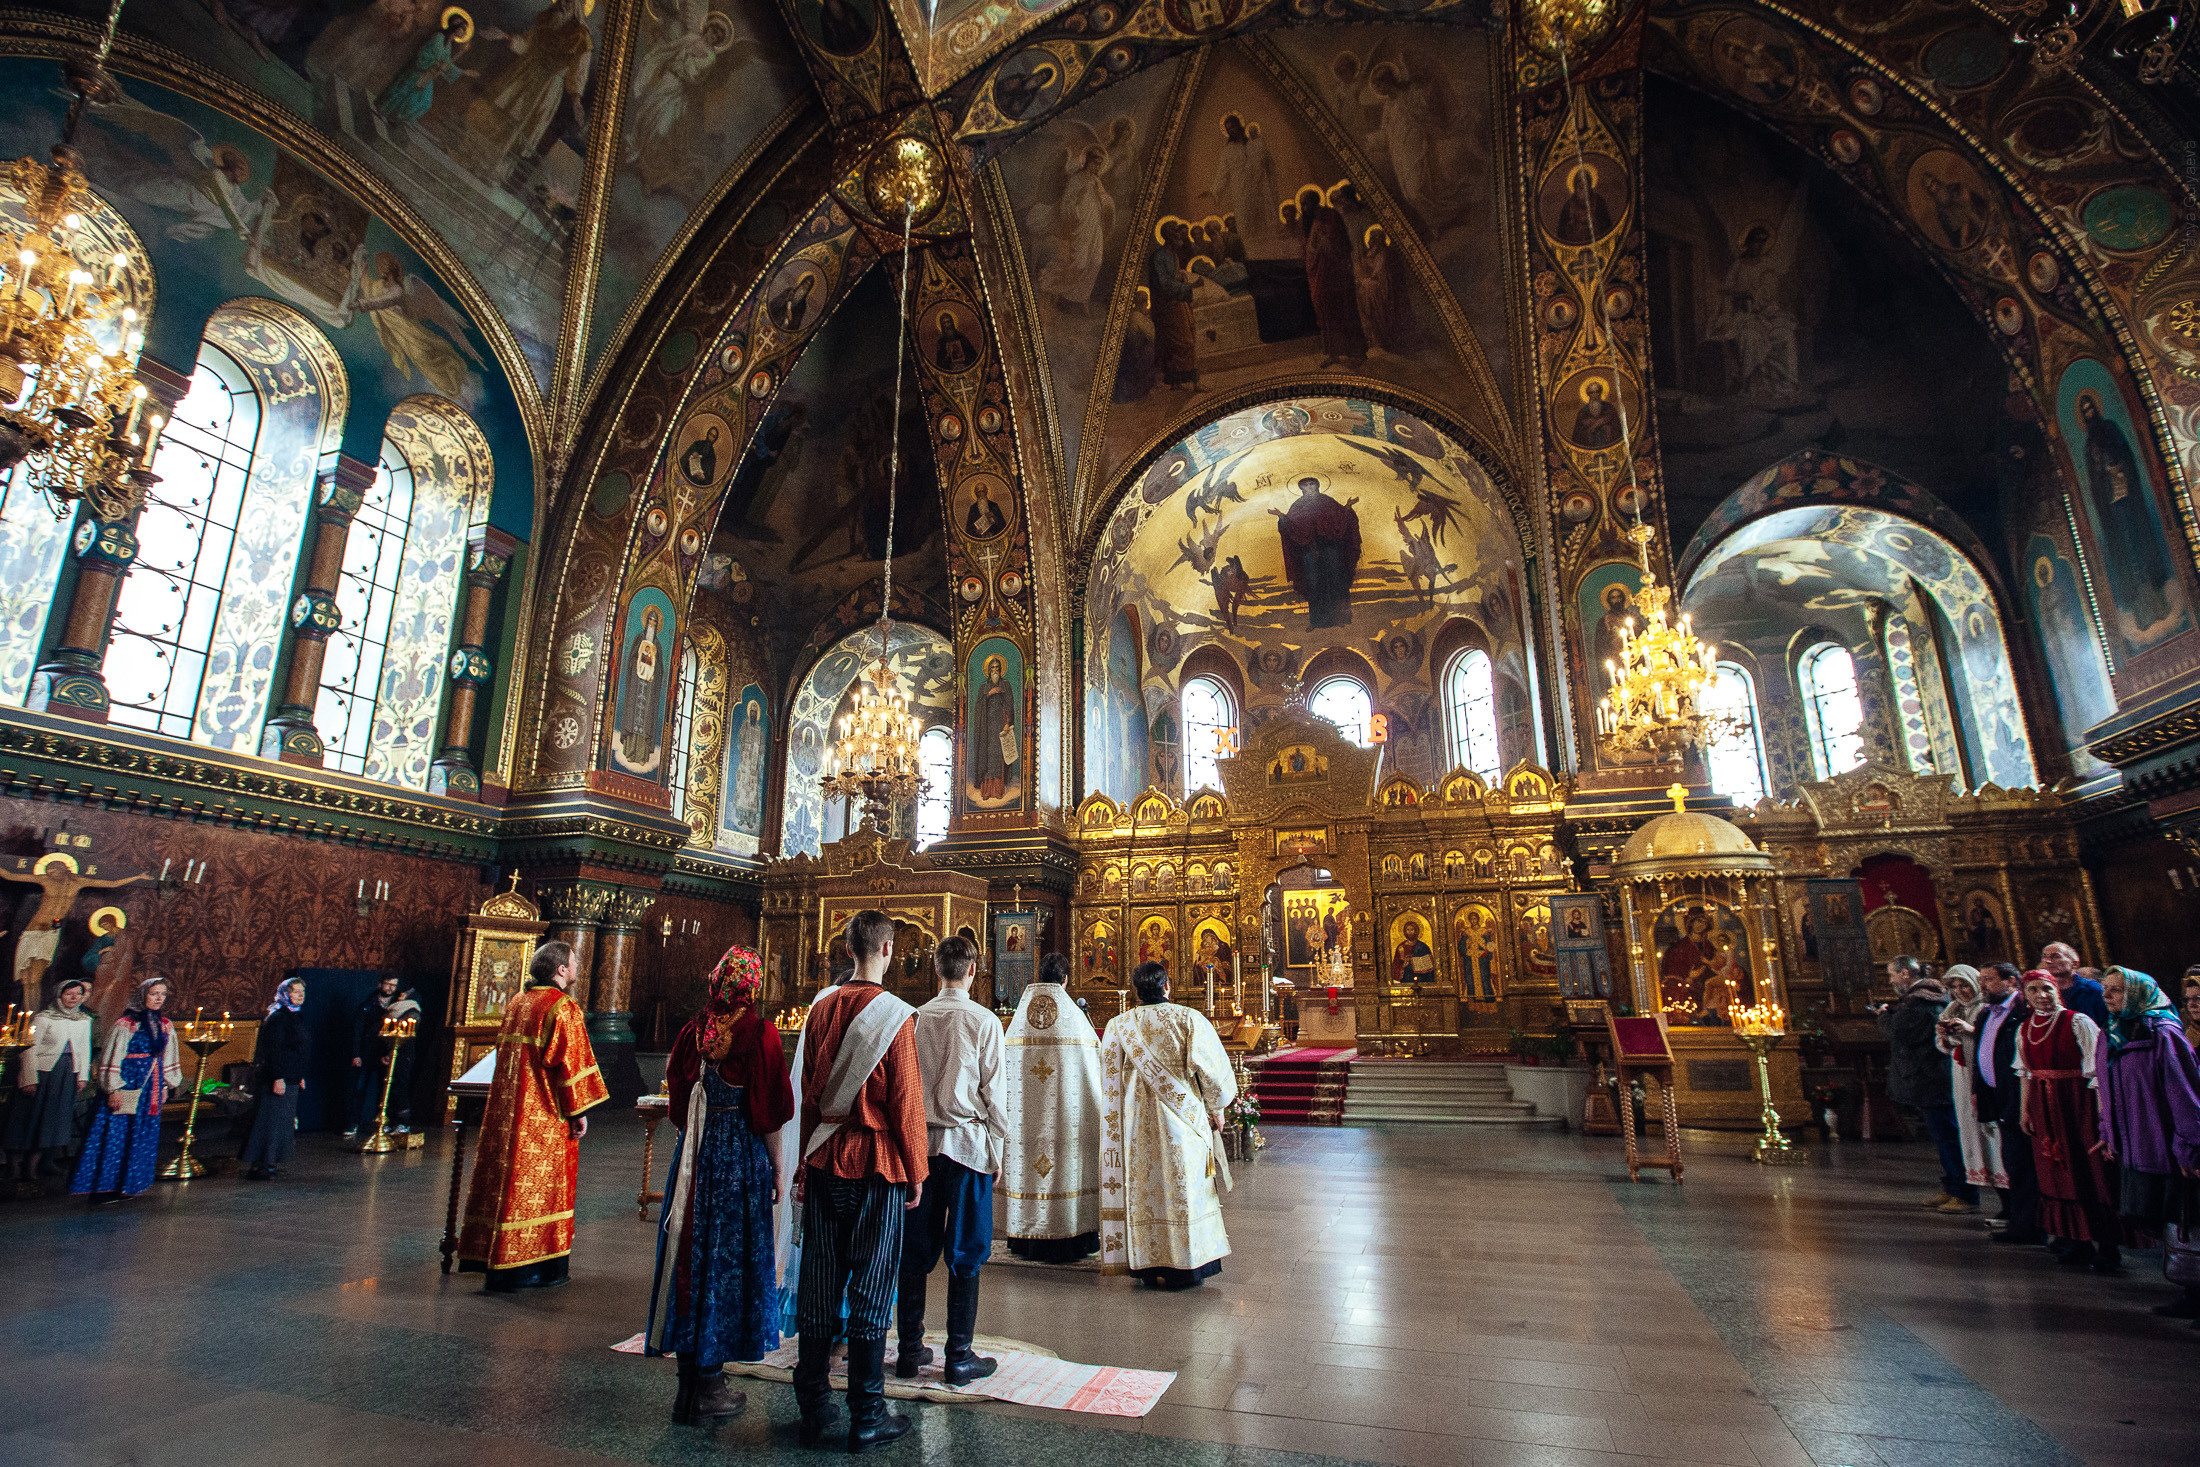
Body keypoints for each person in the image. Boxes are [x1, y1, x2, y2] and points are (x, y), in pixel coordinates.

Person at [792, 911, 926, 1453]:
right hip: (877, 1164)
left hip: (824, 1157)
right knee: (872, 1281)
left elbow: (808, 1092)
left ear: (848, 949)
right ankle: (867, 1415)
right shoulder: (896, 1017)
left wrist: (803, 1159)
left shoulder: (820, 1009)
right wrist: (916, 1170)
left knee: (820, 1278)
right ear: (888, 949)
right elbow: (906, 1101)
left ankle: (812, 1405)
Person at [647, 943, 794, 1426]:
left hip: (693, 1158)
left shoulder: (691, 1031)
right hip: (738, 1161)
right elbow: (771, 1113)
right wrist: (777, 1168)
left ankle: (688, 1385)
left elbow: (677, 1106)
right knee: (726, 1263)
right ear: (752, 986)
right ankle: (710, 1387)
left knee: (690, 1256)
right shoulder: (759, 1034)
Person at [457, 941, 608, 1292]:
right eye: (573, 962)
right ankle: (536, 1268)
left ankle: (496, 1263)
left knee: (505, 1185)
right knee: (544, 1190)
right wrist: (578, 1111)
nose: (577, 968)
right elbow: (570, 1065)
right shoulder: (562, 1007)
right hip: (543, 1116)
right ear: (561, 970)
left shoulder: (517, 1002)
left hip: (507, 1115)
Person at [896, 935, 1007, 1386]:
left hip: (919, 1148)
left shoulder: (914, 1018)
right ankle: (958, 1358)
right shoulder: (984, 1021)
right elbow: (995, 1096)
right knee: (967, 1250)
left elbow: (903, 1088)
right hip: (967, 1147)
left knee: (913, 1250)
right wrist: (997, 1150)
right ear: (973, 970)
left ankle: (909, 1352)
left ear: (936, 969)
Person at [1098, 960, 1238, 1289]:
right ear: (1167, 987)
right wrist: (1216, 1107)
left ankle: (1147, 1265)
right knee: (1183, 1190)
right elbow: (1212, 1072)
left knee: (1144, 1190)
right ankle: (1186, 1265)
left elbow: (1109, 1082)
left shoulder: (1118, 1026)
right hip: (1182, 1127)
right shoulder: (1188, 1019)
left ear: (1136, 991)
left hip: (1136, 1126)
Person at [2014, 969, 2123, 1271]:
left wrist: (2101, 1115)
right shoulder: (2025, 1028)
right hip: (2045, 1107)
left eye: (2047, 989)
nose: (2041, 996)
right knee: (2058, 1171)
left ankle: (2108, 1246)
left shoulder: (2078, 1021)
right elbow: (2025, 1073)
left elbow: (2097, 1070)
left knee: (2091, 1170)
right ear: (2025, 996)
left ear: (2056, 991)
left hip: (2078, 1103)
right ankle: (2076, 1240)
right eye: (2034, 990)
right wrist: (2025, 1111)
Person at [1004, 952, 1103, 1263]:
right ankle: (1068, 1234)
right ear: (1066, 980)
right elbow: (1094, 1073)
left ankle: (1026, 1237)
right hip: (1065, 1120)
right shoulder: (1076, 1020)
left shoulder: (1018, 1022)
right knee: (1064, 1170)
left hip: (1025, 1121)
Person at [2094, 969, 2200, 1250]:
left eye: (2117, 990)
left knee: (2184, 1228)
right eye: (2105, 989)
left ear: (2138, 993)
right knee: (2159, 1229)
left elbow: (2185, 1097)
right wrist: (2107, 1130)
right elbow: (2107, 1087)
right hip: (2135, 1151)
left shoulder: (2164, 1033)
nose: (2107, 995)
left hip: (2166, 1150)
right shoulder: (2111, 1032)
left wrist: (2191, 1149)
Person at [1875, 957, 1974, 1213]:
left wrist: (1883, 1016)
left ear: (1905, 974)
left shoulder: (1920, 1001)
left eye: (1892, 975)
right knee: (1942, 1136)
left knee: (1948, 1136)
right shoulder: (1926, 998)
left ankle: (1964, 1193)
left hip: (1931, 1076)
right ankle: (1952, 1186)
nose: (1891, 981)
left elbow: (1900, 1033)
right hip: (1931, 1075)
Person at [71, 976, 181, 1204]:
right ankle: (103, 1188)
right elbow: (113, 1055)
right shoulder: (127, 1023)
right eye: (154, 993)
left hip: (150, 1085)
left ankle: (128, 1184)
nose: (159, 998)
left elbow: (167, 1055)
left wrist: (164, 1085)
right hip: (127, 1083)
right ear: (143, 995)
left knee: (141, 1133)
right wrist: (113, 1089)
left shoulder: (165, 1024)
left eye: (163, 994)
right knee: (116, 1132)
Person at [1974, 962, 2043, 1244]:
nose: (1983, 985)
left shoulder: (2023, 1011)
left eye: (1989, 979)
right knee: (2014, 1162)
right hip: (1999, 1096)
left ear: (2012, 981)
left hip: (2021, 1097)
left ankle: (2033, 1225)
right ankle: (2022, 1222)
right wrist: (1979, 1091)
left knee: (2027, 1163)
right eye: (1981, 980)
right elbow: (1982, 1053)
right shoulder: (1985, 1013)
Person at [7, 976, 93, 1194]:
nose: (73, 998)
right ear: (59, 995)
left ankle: (33, 1167)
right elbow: (29, 1048)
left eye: (78, 994)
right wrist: (29, 1078)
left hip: (66, 1075)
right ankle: (14, 1167)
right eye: (69, 994)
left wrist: (82, 1076)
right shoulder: (44, 1018)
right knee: (26, 1119)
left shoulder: (84, 1020)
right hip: (42, 1073)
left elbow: (84, 1049)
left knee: (50, 1121)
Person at [1935, 966, 2007, 1199]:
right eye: (1954, 987)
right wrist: (1945, 1038)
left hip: (1984, 1074)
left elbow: (1995, 1039)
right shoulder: (1952, 1008)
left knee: (1992, 1130)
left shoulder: (1987, 1007)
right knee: (1969, 1127)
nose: (1959, 991)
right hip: (1961, 1074)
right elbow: (1943, 1046)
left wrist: (1970, 1031)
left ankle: (2006, 1192)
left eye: (1964, 985)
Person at [240, 978, 311, 1180]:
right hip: (277, 1077)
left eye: (302, 991)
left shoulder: (296, 1016)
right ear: (285, 994)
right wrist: (277, 1077)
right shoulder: (278, 1017)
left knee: (281, 1123)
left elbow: (299, 1049)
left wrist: (299, 1076)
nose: (300, 995)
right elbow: (272, 1050)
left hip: (291, 1077)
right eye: (295, 991)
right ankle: (260, 1164)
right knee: (269, 1122)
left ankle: (270, 1161)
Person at [347, 975, 416, 1138]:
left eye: (394, 985)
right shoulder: (368, 1004)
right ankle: (352, 1123)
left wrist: (388, 1053)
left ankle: (383, 1123)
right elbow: (357, 1032)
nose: (391, 988)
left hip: (386, 1054)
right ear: (380, 984)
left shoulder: (398, 1005)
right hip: (367, 1052)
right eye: (388, 984)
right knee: (359, 1088)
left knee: (385, 1089)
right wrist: (356, 1054)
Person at [2039, 942, 2111, 1029]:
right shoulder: (2040, 993)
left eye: (2056, 956)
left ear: (2075, 963)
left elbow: (2107, 1023)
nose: (2048, 961)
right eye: (2044, 957)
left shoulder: (2092, 990)